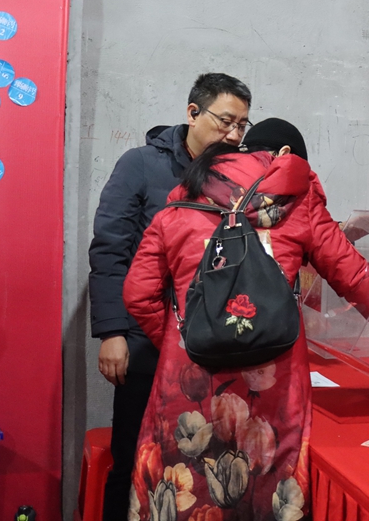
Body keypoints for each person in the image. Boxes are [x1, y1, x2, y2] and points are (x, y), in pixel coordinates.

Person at [122, 118, 369, 520]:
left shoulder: (181, 202)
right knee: (267, 486)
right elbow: (353, 275)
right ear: (283, 156)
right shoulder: (298, 202)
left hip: (187, 376)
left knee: (186, 484)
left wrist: (179, 342)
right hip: (274, 377)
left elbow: (137, 294)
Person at [89, 73, 252, 520]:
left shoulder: (236, 177)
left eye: (242, 125)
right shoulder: (142, 164)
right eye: (225, 121)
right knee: (134, 458)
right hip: (146, 340)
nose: (233, 134)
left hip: (210, 347)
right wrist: (111, 332)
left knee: (198, 470)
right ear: (193, 113)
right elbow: (110, 250)